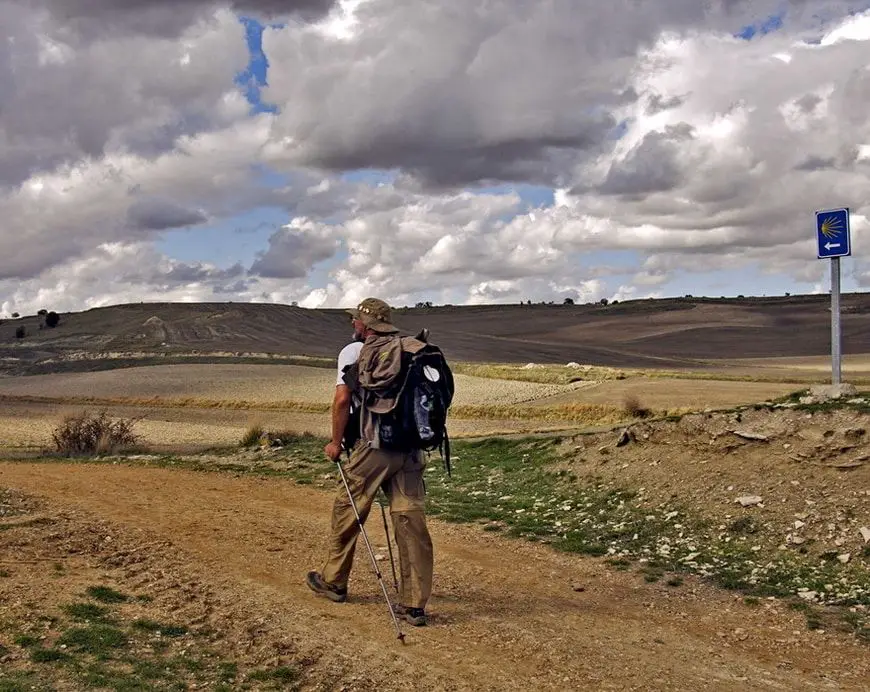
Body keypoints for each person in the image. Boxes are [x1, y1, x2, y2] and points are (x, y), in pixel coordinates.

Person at [306, 298, 434, 627]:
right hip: (411, 450)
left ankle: (334, 581)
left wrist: (336, 443)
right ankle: (414, 604)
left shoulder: (355, 352)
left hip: (374, 447)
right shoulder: (411, 349)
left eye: (356, 321)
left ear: (365, 325)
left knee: (348, 509)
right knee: (409, 520)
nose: (352, 325)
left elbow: (342, 399)